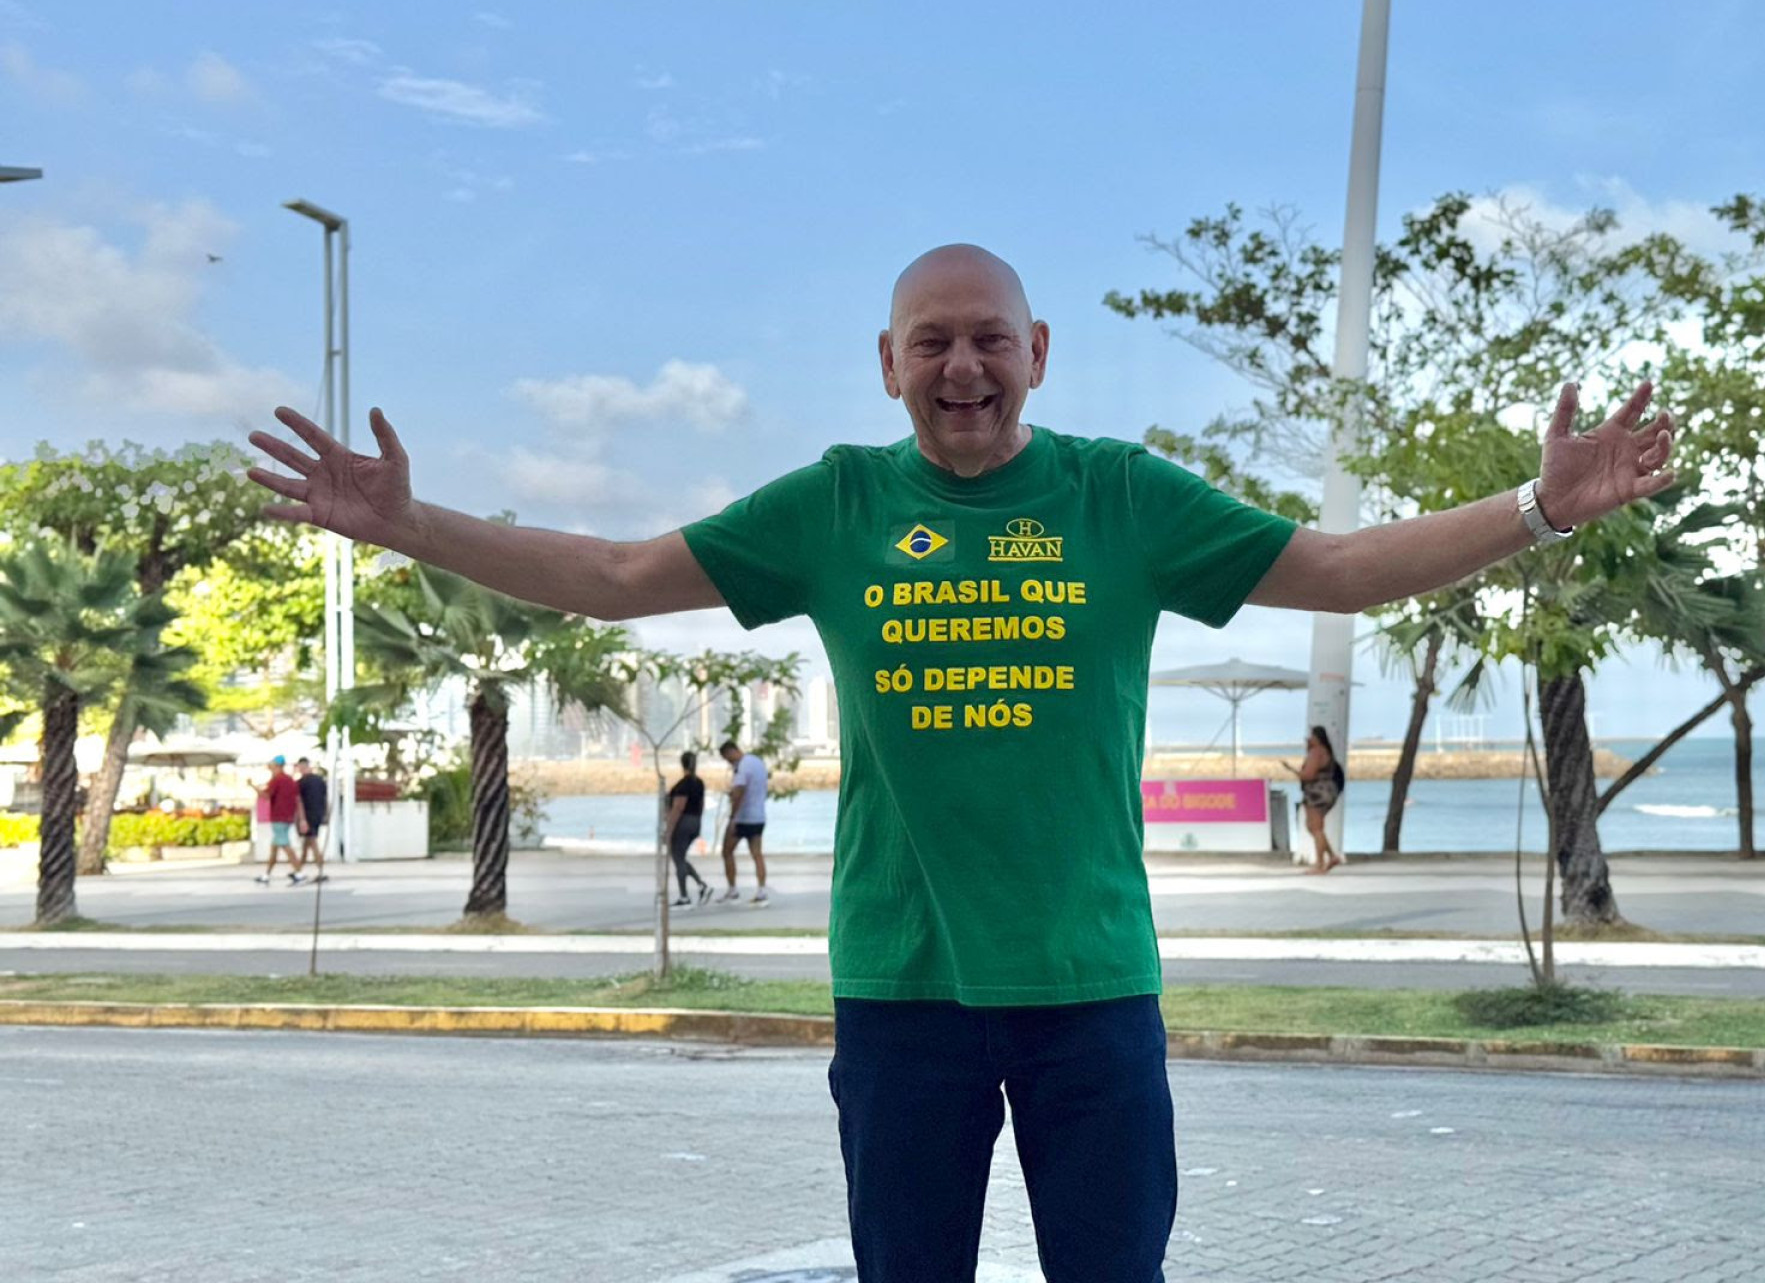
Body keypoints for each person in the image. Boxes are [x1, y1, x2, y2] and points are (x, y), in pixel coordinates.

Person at [247, 243, 1675, 1282]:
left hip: (1091, 985)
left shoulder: (1122, 495)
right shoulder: (838, 502)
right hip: (902, 988)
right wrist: (412, 524)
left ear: (1038, 352)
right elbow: (619, 572)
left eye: (988, 337)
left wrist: (1541, 506)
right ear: (888, 365)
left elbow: (1344, 568)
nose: (963, 365)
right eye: (931, 341)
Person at [717, 739, 771, 905]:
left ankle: (732, 889)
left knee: (727, 851)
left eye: (727, 758)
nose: (728, 762)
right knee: (757, 854)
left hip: (743, 818)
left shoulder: (742, 766)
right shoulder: (757, 762)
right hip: (758, 816)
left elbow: (739, 791)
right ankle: (761, 890)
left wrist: (733, 817)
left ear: (731, 751)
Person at [1292, 724, 1346, 873]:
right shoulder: (1325, 752)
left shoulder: (1316, 752)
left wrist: (1297, 773)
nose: (1307, 739)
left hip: (1317, 793)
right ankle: (1332, 855)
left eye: (1310, 736)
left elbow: (1309, 775)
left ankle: (1320, 864)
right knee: (1313, 826)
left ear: (1316, 738)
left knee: (1316, 827)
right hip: (1325, 791)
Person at [665, 749, 712, 907]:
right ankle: (701, 885)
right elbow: (702, 804)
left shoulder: (683, 786)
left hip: (683, 823)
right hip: (695, 821)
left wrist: (669, 830)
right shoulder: (699, 783)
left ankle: (684, 896)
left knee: (678, 859)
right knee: (681, 859)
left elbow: (678, 808)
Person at [253, 756, 303, 885]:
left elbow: (266, 796)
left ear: (277, 766)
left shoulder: (277, 780)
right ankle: (266, 875)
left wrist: (253, 787)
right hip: (287, 816)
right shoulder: (290, 780)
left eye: (273, 766)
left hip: (278, 817)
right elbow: (297, 799)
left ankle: (299, 873)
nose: (271, 769)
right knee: (274, 847)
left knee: (285, 845)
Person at [292, 757, 329, 883]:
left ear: (301, 767)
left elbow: (299, 801)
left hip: (307, 816)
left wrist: (302, 819)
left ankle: (320, 870)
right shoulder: (320, 780)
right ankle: (299, 869)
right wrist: (325, 814)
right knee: (307, 844)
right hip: (318, 814)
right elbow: (325, 798)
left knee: (312, 843)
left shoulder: (301, 783)